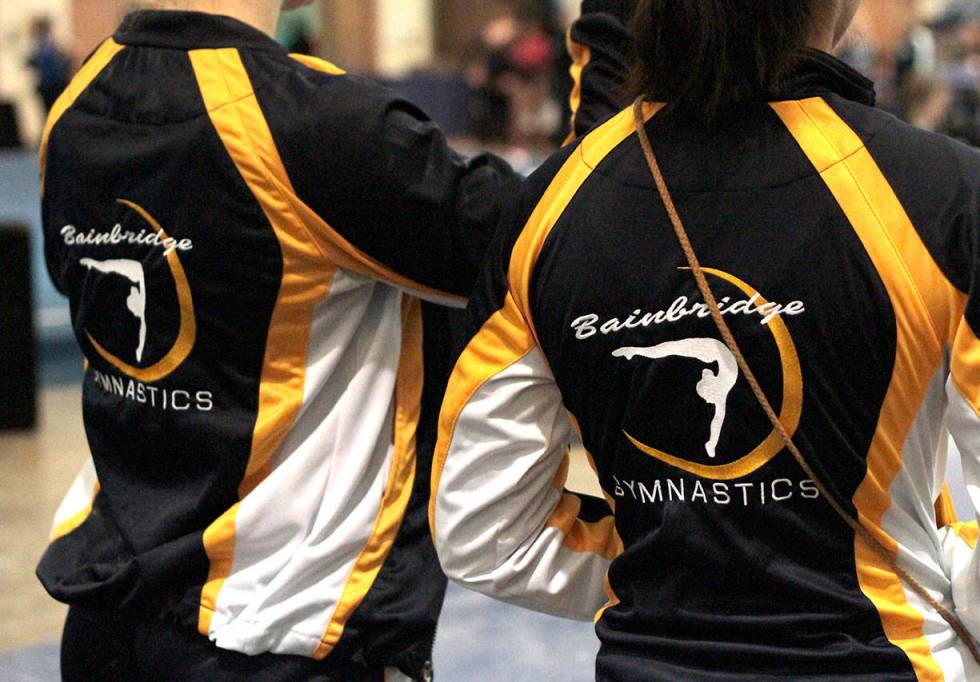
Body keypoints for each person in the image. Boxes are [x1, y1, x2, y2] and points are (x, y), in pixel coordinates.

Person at [431, 0, 980, 679]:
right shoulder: (952, 198)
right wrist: (945, 570)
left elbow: (485, 533)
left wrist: (674, 560)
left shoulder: (551, 207)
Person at [36, 0, 628, 679]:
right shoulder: (310, 123)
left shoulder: (78, 102)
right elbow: (564, 233)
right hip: (272, 630)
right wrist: (612, 31)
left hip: (107, 618)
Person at [26, 16, 71, 114]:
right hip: (57, 84)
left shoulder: (41, 45)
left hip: (49, 85)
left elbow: (33, 62)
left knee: (51, 112)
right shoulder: (52, 43)